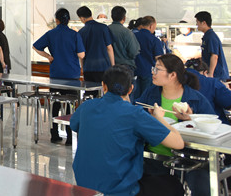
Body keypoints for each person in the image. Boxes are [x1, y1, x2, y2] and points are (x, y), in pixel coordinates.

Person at [71, 65, 185, 196]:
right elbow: (178, 143)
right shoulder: (135, 113)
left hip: (84, 187)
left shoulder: (86, 106)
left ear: (104, 86)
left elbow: (74, 124)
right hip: (119, 191)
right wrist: (159, 118)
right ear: (131, 89)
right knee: (173, 185)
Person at [136, 54, 215, 196]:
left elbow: (212, 130)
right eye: (154, 68)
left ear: (172, 75)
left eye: (157, 69)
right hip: (154, 159)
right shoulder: (150, 94)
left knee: (202, 185)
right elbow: (135, 117)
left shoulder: (196, 99)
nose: (153, 72)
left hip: (188, 161)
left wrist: (191, 119)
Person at [32, 8, 85, 144]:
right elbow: (81, 54)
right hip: (72, 75)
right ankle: (69, 136)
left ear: (56, 20)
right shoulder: (74, 35)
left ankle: (54, 134)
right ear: (69, 20)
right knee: (70, 105)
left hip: (56, 74)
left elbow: (36, 47)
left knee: (55, 104)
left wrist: (49, 57)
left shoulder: (51, 34)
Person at [186, 58, 231, 124]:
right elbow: (229, 103)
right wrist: (226, 89)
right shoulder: (211, 83)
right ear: (205, 72)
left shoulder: (176, 80)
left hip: (181, 125)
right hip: (213, 125)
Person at [76, 6, 114, 84]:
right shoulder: (103, 28)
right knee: (103, 89)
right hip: (103, 67)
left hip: (88, 68)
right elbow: (109, 48)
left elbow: (81, 54)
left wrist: (82, 67)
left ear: (82, 18)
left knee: (90, 90)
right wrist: (113, 65)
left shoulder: (81, 32)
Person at [133, 16, 164, 100]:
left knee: (135, 97)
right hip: (149, 72)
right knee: (146, 98)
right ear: (151, 26)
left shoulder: (133, 36)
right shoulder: (154, 40)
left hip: (134, 71)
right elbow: (159, 58)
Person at [195, 11, 228, 81]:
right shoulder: (207, 36)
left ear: (203, 23)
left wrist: (211, 73)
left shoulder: (211, 37)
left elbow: (214, 56)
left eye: (197, 22)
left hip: (217, 75)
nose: (196, 25)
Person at [107, 6, 140, 77]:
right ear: (124, 18)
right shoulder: (127, 32)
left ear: (111, 16)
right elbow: (133, 52)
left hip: (108, 67)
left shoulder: (105, 30)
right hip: (125, 67)